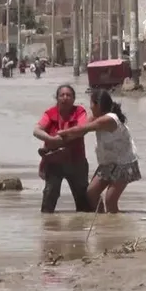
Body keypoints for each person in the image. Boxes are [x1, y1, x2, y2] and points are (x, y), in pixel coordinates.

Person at [58, 89, 141, 214]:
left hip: (124, 163)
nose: (90, 107)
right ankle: (102, 222)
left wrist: (61, 133)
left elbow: (85, 128)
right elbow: (81, 131)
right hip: (107, 162)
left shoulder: (109, 119)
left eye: (91, 103)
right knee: (91, 193)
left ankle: (115, 228)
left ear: (97, 104)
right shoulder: (96, 117)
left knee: (110, 201)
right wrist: (60, 141)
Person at [33, 85, 92, 213]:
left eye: (69, 95)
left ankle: (82, 229)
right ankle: (47, 228)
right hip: (54, 161)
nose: (65, 98)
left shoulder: (79, 111)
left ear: (74, 99)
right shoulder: (50, 113)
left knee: (82, 199)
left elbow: (82, 130)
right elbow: (36, 130)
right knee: (49, 197)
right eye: (62, 95)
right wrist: (51, 139)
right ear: (57, 98)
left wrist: (60, 140)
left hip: (76, 161)